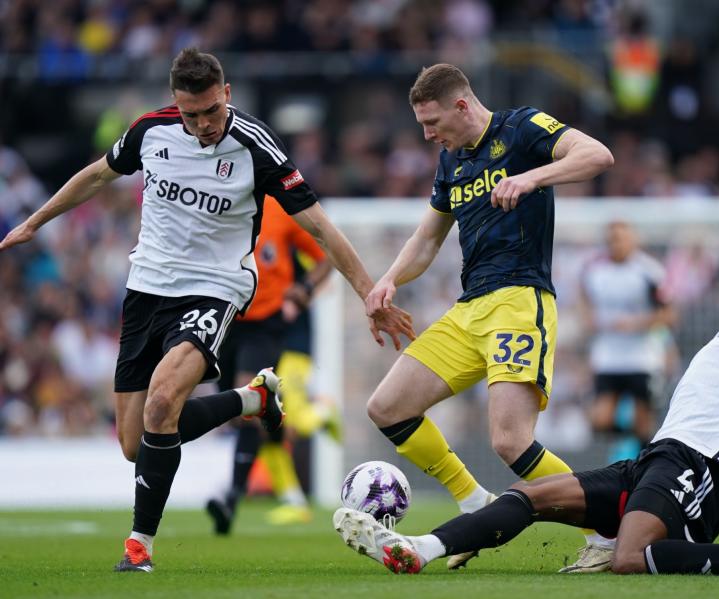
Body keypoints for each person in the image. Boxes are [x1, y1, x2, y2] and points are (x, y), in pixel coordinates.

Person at [0, 48, 414, 573]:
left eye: (211, 112)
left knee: (162, 403)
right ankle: (253, 399)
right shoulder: (150, 131)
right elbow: (97, 175)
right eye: (190, 114)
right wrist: (36, 221)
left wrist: (369, 295)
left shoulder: (257, 146)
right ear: (176, 103)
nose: (201, 125)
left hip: (215, 289)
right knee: (135, 444)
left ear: (227, 95)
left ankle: (139, 546)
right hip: (146, 288)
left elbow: (319, 227)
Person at [335, 238, 719, 576]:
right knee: (526, 497)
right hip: (658, 459)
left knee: (631, 559)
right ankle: (422, 551)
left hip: (702, 467)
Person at [363, 63, 615, 571]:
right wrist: (388, 280)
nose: (427, 134)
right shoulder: (450, 161)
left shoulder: (521, 129)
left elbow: (597, 154)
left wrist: (533, 175)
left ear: (462, 105)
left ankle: (605, 535)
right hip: (469, 307)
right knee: (387, 407)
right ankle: (472, 500)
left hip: (520, 300)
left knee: (509, 440)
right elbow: (428, 237)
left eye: (432, 123)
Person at [205, 195, 332, 535]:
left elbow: (325, 255)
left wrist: (303, 290)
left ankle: (232, 497)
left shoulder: (282, 208)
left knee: (246, 401)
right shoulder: (217, 200)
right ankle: (273, 419)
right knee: (239, 412)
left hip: (265, 324)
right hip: (225, 318)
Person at [579, 221, 675, 455]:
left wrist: (636, 323)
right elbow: (584, 302)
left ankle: (643, 469)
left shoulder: (649, 271)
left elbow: (669, 314)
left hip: (642, 357)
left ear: (633, 240)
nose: (616, 243)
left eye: (621, 238)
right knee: (600, 420)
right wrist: (588, 319)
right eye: (612, 239)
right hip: (608, 356)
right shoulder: (595, 272)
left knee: (642, 419)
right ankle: (645, 446)